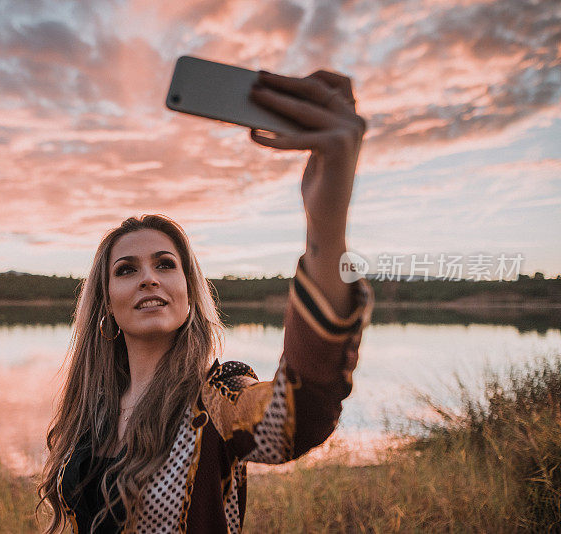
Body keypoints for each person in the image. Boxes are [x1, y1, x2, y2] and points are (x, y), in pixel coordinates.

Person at [38, 69, 374, 533]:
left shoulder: (215, 398)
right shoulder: (90, 410)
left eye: (165, 264)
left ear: (190, 297)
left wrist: (326, 224)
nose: (149, 279)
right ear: (105, 307)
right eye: (127, 270)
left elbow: (301, 413)